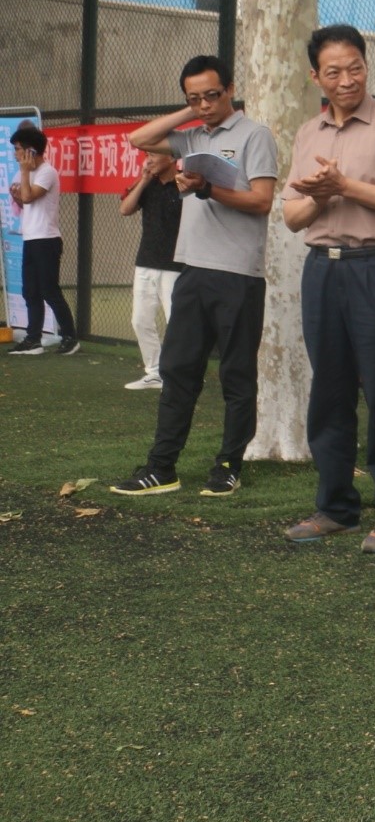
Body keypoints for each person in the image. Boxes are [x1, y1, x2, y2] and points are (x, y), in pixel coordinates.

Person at [280, 25, 375, 555]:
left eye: (356, 68)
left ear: (367, 67)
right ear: (315, 77)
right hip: (322, 270)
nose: (347, 80)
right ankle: (336, 507)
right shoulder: (309, 133)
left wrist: (344, 186)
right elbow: (292, 217)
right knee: (329, 390)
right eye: (334, 72)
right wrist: (323, 197)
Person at [110, 55, 278, 497]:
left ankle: (228, 465)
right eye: (194, 98)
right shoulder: (192, 137)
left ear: (230, 90)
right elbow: (138, 139)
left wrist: (207, 188)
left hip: (239, 275)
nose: (204, 105)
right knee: (178, 371)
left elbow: (262, 201)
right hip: (192, 272)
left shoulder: (254, 135)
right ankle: (161, 467)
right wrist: (190, 111)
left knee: (237, 375)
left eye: (212, 95)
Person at [7, 123, 80, 356]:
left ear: (31, 151)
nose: (15, 154)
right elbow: (24, 202)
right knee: (30, 291)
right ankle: (33, 339)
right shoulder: (26, 172)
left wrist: (24, 175)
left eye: (18, 149)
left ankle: (70, 338)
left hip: (47, 240)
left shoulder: (47, 172)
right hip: (31, 238)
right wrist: (16, 196)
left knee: (50, 290)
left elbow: (29, 197)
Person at [117, 152, 182, 386]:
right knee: (140, 320)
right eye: (147, 155)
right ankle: (154, 371)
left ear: (172, 157)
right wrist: (144, 180)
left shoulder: (185, 183)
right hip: (145, 262)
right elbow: (125, 209)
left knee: (177, 323)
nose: (149, 160)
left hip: (176, 266)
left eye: (154, 154)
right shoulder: (147, 184)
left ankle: (177, 374)